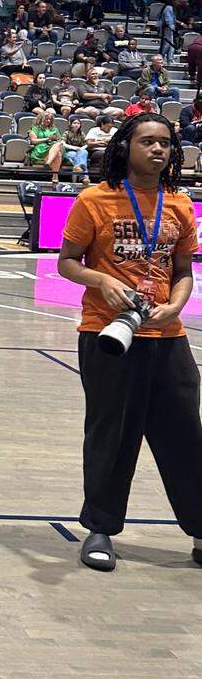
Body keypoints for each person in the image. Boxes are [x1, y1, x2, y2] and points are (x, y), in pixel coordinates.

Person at [57, 113, 202, 573]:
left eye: (165, 143)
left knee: (185, 435)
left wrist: (176, 307)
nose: (158, 150)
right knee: (111, 434)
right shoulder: (94, 200)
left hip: (167, 336)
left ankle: (200, 529)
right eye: (148, 142)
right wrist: (101, 280)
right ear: (126, 147)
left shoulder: (179, 205)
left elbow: (183, 272)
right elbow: (66, 263)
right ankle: (100, 529)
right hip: (107, 332)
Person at [26, 108, 65, 183]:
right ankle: (55, 177)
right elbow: (33, 141)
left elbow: (59, 140)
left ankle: (48, 162)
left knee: (58, 146)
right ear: (41, 119)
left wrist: (54, 140)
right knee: (58, 153)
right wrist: (47, 139)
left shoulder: (54, 129)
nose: (48, 121)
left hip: (53, 148)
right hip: (40, 149)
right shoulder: (35, 128)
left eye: (50, 119)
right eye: (46, 119)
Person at [63, 117, 90, 184]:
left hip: (79, 152)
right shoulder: (67, 133)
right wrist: (75, 148)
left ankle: (76, 171)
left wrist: (81, 148)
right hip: (68, 152)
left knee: (84, 152)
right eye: (74, 123)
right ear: (71, 124)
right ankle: (85, 178)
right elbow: (62, 143)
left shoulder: (82, 133)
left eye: (78, 123)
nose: (76, 125)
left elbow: (86, 144)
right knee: (78, 156)